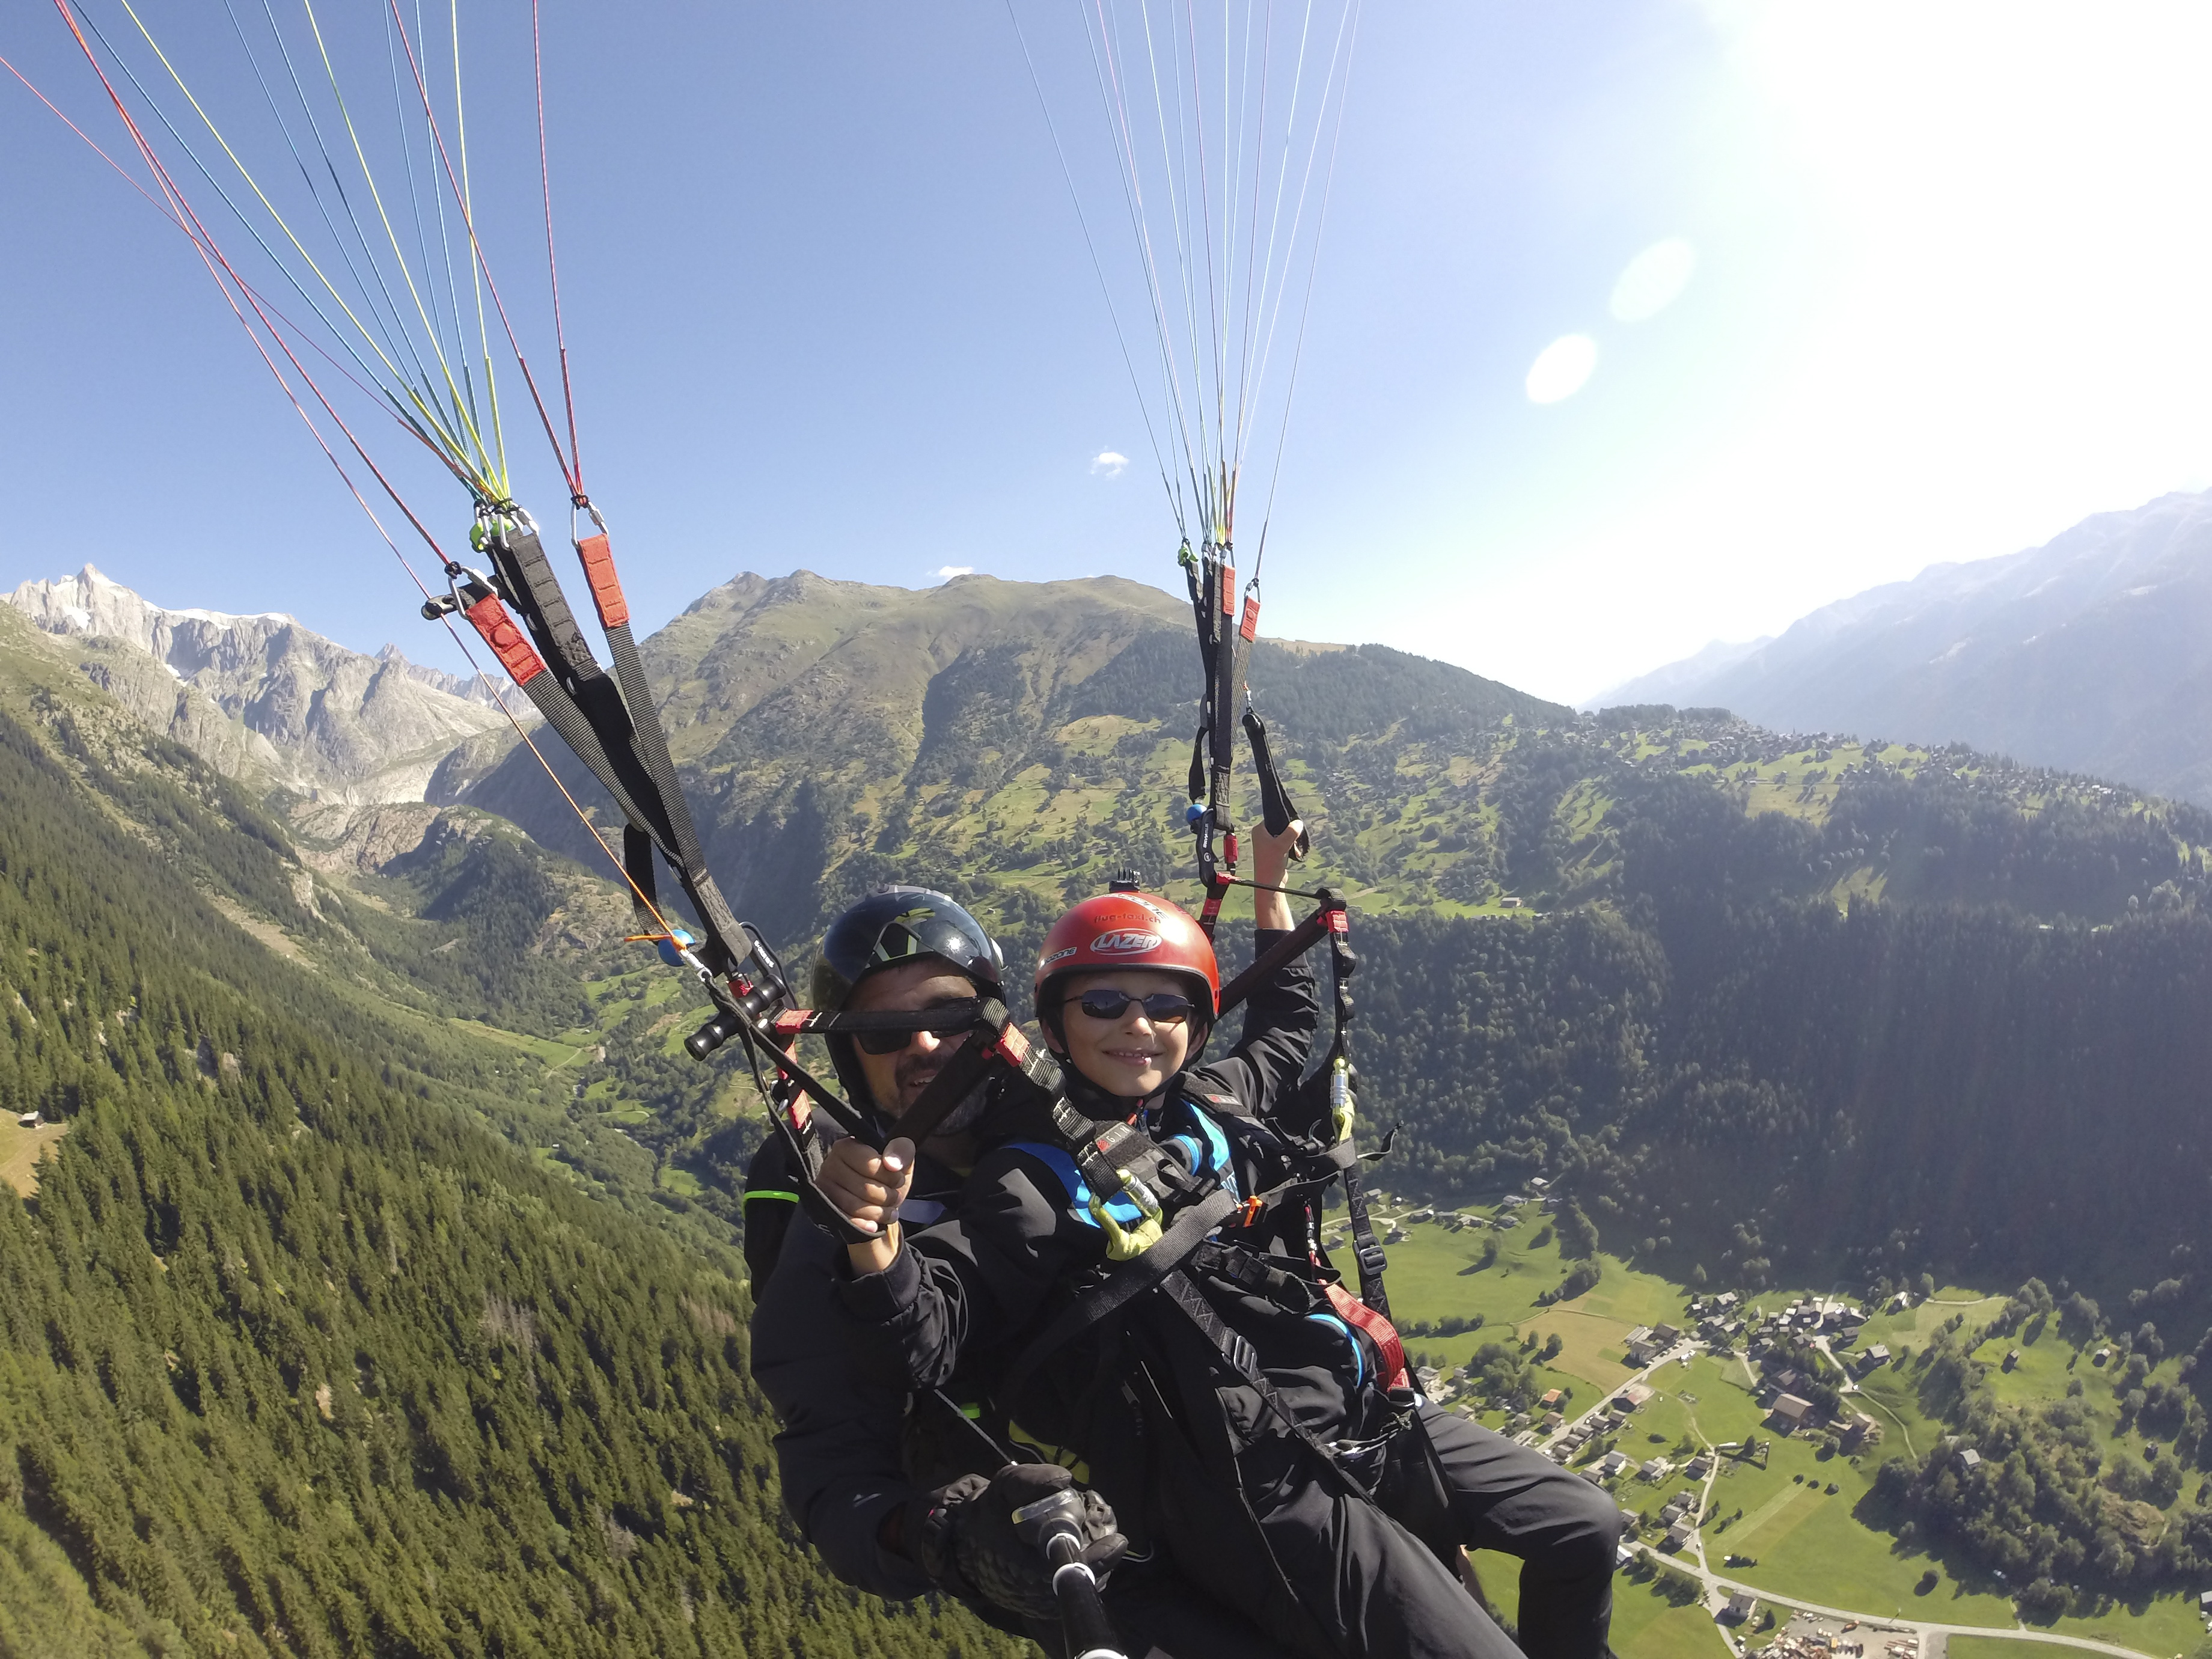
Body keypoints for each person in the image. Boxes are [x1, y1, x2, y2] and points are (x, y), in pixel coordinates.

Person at [825, 842, 1625, 1659]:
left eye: (1166, 1008)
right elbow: (929, 1332)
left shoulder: (1211, 1103)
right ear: (1056, 1022)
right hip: (1267, 1488)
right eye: (1103, 1003)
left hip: (1360, 1413)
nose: (1138, 1027)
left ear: (1198, 1025)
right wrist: (874, 1241)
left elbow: (1286, 1030)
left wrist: (1268, 888)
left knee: (1587, 1529)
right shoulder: (1030, 1181)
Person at [747, 887, 1273, 1654]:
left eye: (949, 1019)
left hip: (1218, 1468)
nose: (922, 1046)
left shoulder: (1067, 1119)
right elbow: (829, 1462)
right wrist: (948, 1536)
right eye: (885, 1032)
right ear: (847, 1054)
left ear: (995, 1028)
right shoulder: (829, 1210)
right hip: (1071, 1549)